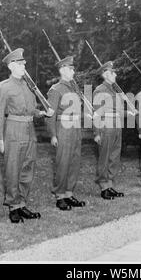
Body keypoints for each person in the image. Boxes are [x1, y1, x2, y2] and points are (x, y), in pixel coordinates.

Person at [0, 48, 53, 223]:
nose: (23, 66)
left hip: (29, 129)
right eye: (20, 64)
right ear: (11, 66)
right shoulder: (3, 87)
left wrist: (43, 113)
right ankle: (13, 206)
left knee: (28, 167)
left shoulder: (28, 86)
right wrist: (0, 139)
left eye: (24, 64)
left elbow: (31, 109)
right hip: (13, 129)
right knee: (13, 168)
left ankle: (22, 203)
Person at [46, 56, 86, 211]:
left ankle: (69, 193)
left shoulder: (74, 88)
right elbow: (51, 114)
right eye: (71, 68)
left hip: (75, 128)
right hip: (63, 128)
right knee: (63, 162)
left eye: (73, 68)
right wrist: (53, 135)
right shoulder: (56, 90)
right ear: (63, 70)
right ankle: (60, 195)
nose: (74, 71)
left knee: (74, 161)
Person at [92, 61, 127, 200]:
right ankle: (103, 187)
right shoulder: (100, 90)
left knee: (114, 157)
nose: (116, 74)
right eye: (113, 72)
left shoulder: (114, 89)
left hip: (116, 125)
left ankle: (110, 184)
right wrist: (96, 132)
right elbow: (96, 113)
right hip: (106, 125)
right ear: (106, 74)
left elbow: (117, 111)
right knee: (104, 157)